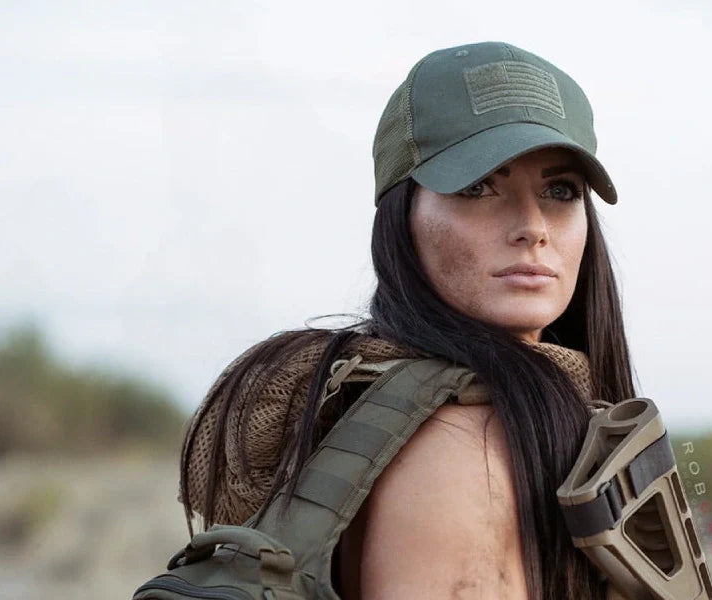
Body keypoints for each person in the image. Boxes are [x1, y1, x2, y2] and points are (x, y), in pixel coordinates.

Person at [178, 41, 636, 599]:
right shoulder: (468, 442)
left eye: (560, 191)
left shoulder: (375, 396)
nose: (532, 226)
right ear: (403, 217)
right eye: (478, 186)